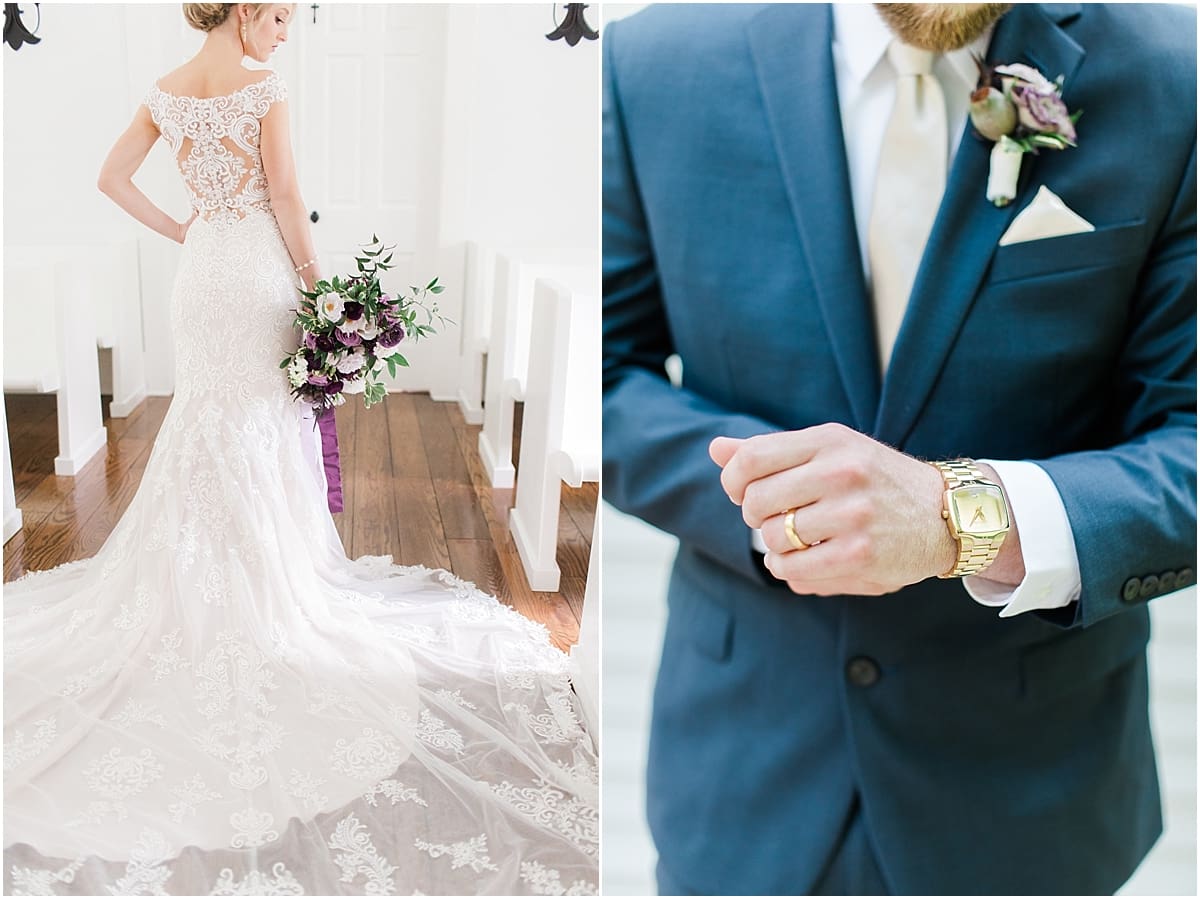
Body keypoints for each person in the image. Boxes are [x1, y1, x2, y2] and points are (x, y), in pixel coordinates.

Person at [602, 2, 1195, 895]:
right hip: (746, 781)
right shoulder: (653, 62)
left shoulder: (1174, 75)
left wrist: (961, 517)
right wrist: (787, 502)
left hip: (1033, 800)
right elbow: (606, 376)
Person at [4, 4, 597, 894]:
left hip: (203, 272)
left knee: (208, 418)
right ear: (246, 9)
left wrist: (183, 228)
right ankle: (266, 581)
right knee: (262, 423)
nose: (286, 31)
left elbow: (110, 177)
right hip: (256, 273)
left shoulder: (166, 91)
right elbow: (284, 196)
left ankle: (196, 582)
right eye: (279, 14)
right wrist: (322, 290)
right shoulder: (263, 87)